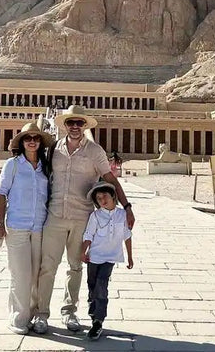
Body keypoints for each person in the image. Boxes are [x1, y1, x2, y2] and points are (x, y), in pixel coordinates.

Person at [32, 105, 135, 334]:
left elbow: (111, 179)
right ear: (65, 125)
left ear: (85, 125)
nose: (75, 127)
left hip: (82, 218)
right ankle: (41, 313)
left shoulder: (95, 151)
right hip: (55, 215)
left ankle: (69, 312)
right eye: (71, 122)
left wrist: (127, 206)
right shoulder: (54, 149)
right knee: (47, 267)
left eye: (79, 123)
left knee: (76, 266)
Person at [0, 122, 54, 335]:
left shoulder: (45, 167)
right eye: (27, 138)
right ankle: (18, 317)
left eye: (36, 138)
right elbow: (1, 193)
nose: (32, 141)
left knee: (36, 274)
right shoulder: (13, 164)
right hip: (17, 225)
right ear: (21, 142)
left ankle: (32, 314)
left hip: (39, 226)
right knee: (21, 275)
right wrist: (0, 221)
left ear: (40, 142)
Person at [81, 182, 134, 340]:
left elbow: (127, 236)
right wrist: (83, 252)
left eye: (105, 196)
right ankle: (93, 315)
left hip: (110, 257)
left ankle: (98, 321)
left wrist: (130, 257)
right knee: (92, 286)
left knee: (101, 286)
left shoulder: (122, 215)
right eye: (98, 198)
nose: (102, 200)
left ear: (113, 196)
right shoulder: (96, 216)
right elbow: (88, 235)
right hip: (94, 257)